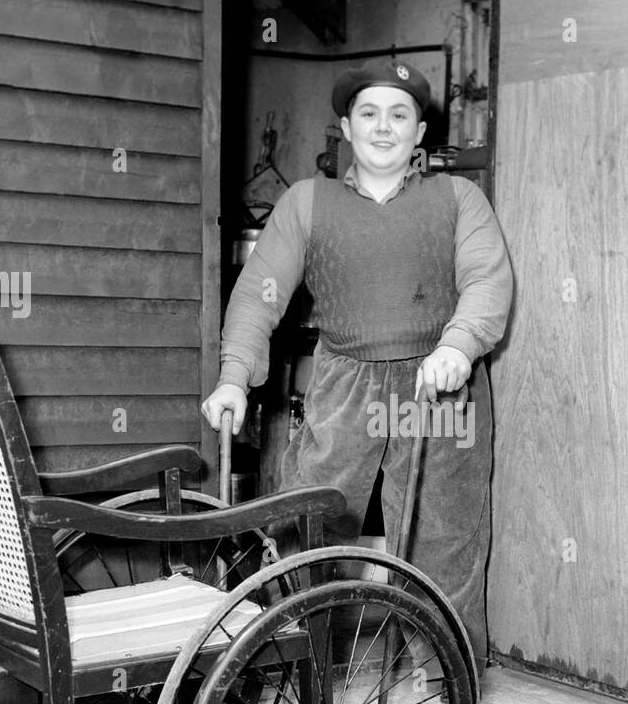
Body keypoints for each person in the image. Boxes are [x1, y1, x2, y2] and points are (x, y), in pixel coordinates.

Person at [201, 60, 513, 668]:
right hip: (346, 380)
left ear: (419, 133)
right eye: (369, 113)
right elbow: (260, 292)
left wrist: (458, 345)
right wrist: (235, 375)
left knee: (443, 540)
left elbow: (485, 278)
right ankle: (300, 674)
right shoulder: (305, 203)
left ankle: (447, 690)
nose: (383, 127)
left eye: (400, 115)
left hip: (438, 387)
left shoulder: (458, 198)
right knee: (309, 529)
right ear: (346, 126)